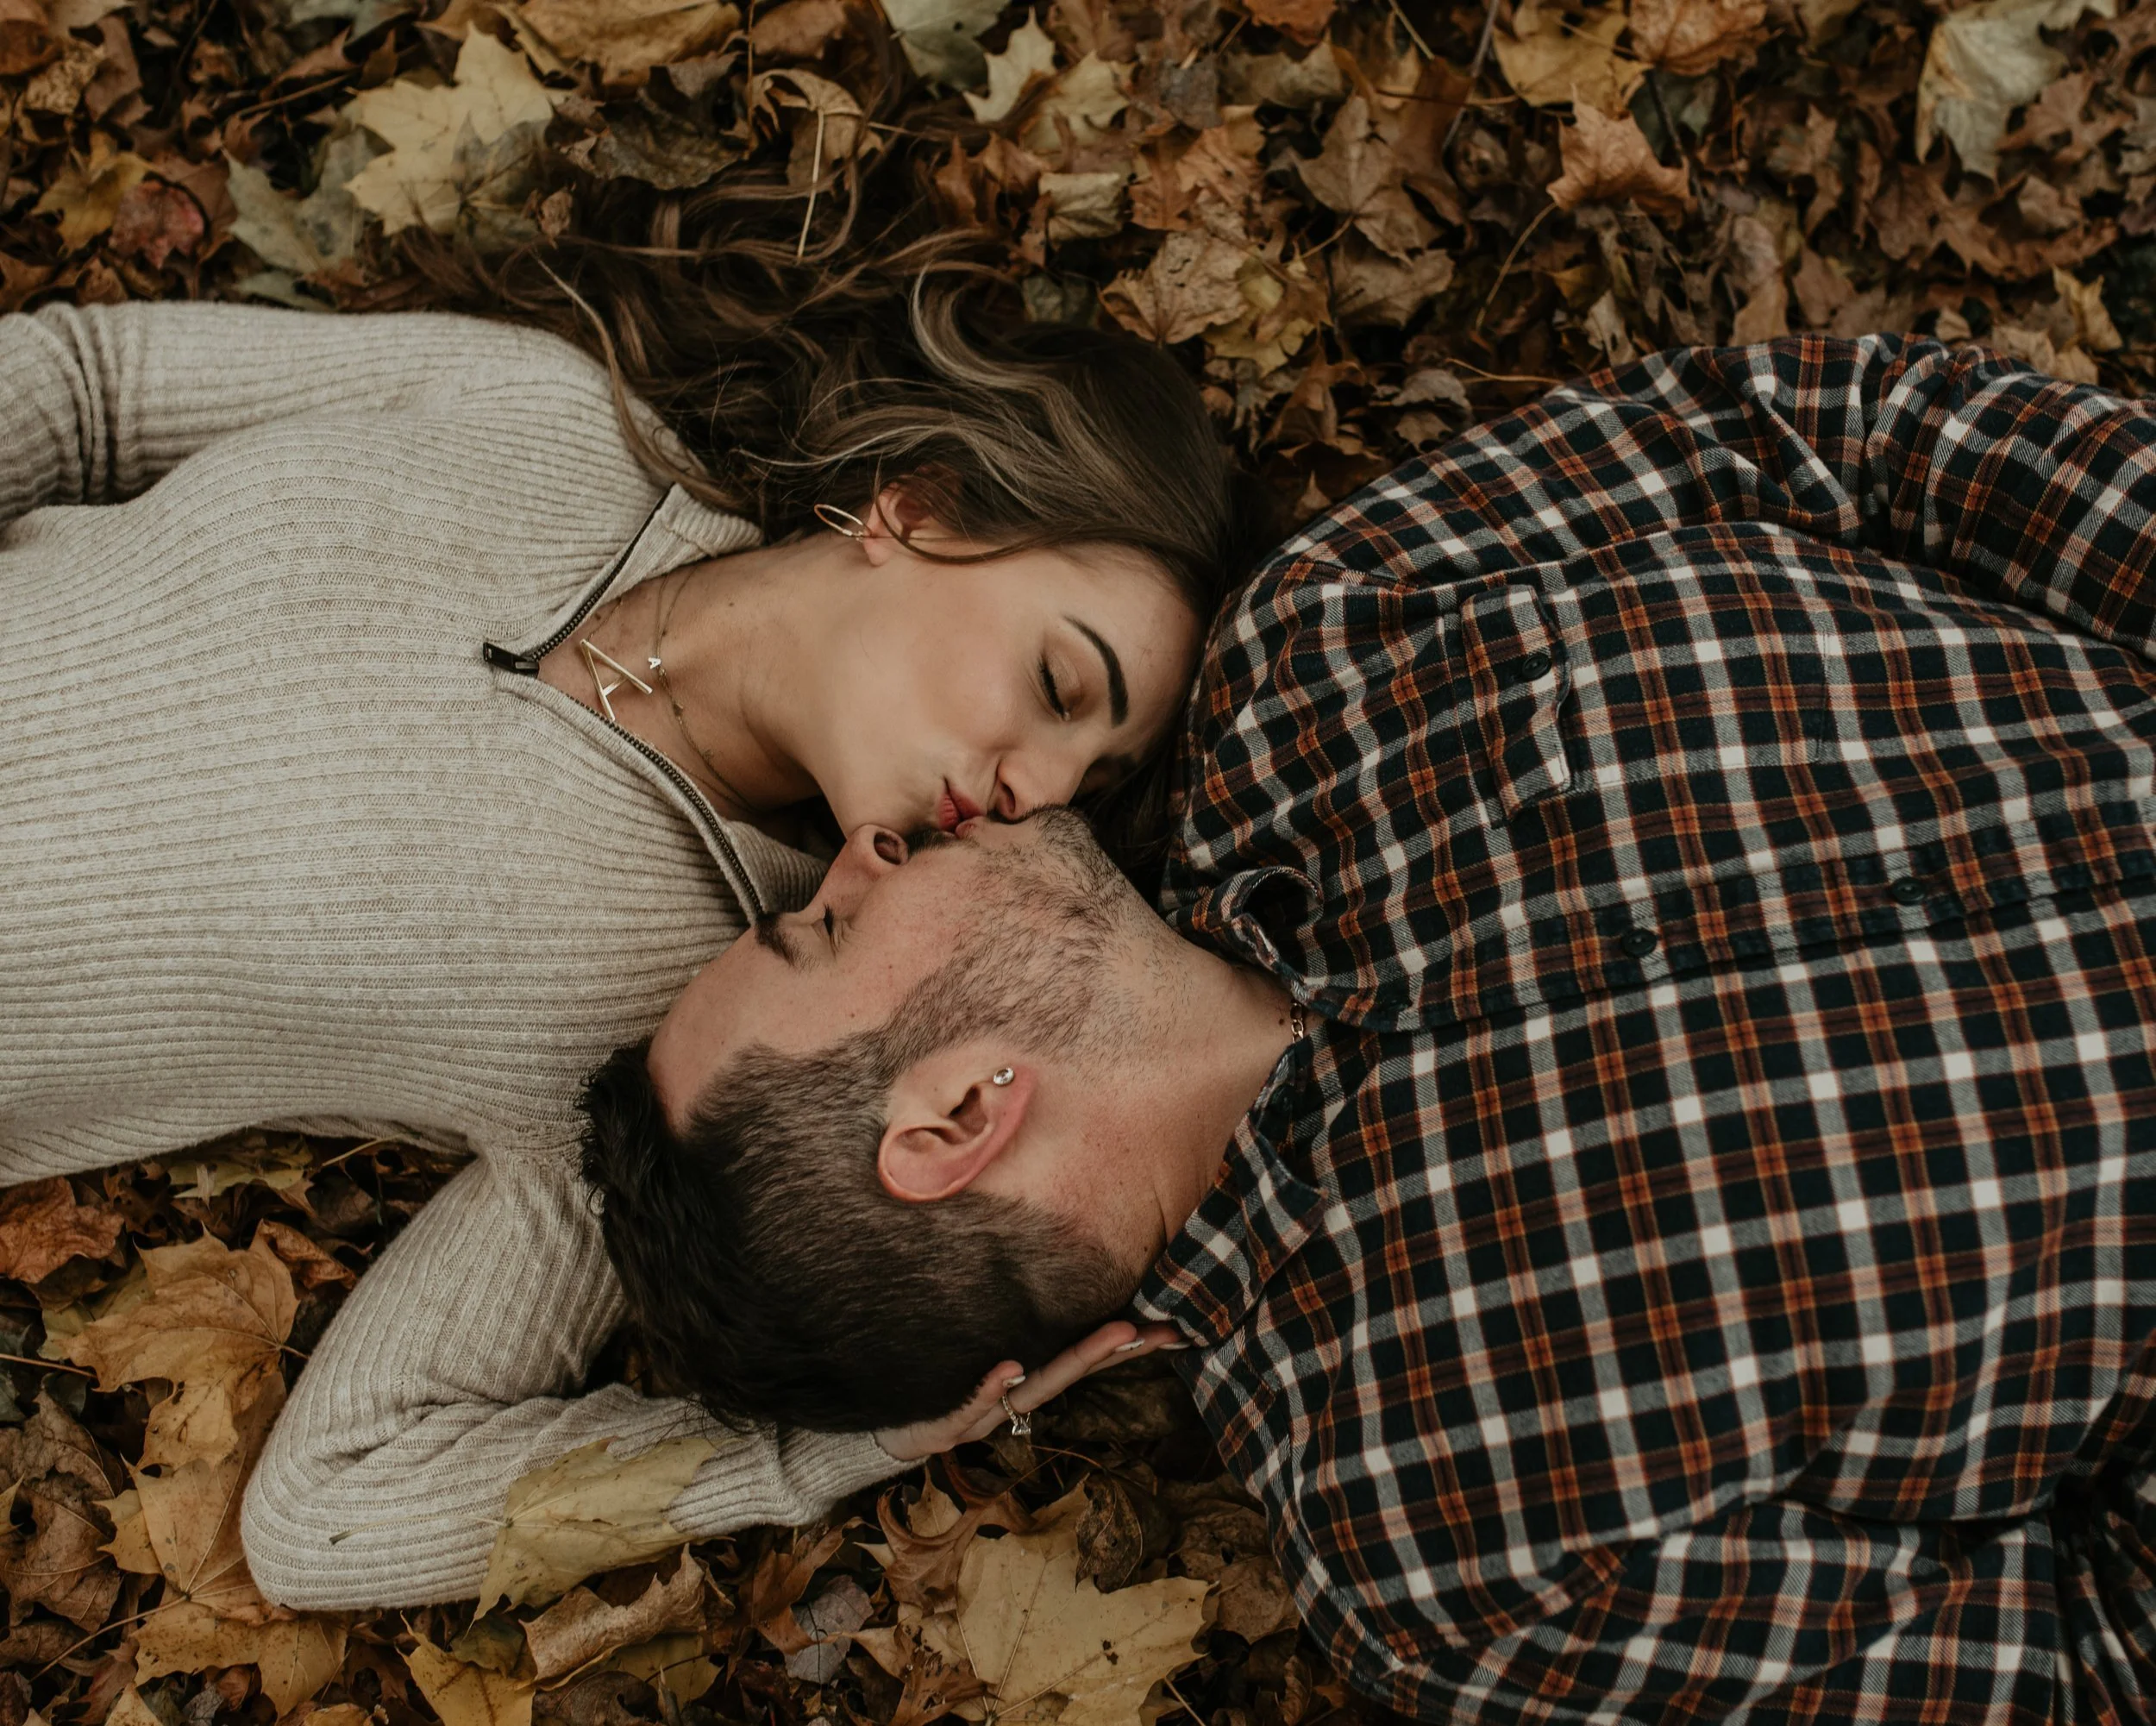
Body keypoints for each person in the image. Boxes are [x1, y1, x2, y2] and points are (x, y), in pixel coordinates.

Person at [586, 333, 2156, 1721]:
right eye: (825, 929)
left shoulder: (1326, 654)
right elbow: (2093, 1664)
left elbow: (1829, 423)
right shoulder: (1459, 1553)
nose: (853, 848)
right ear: (951, 1118)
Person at [0, 198, 1253, 1606]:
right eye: (1060, 688)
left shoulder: (710, 1022)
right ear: (920, 508)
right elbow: (88, 390)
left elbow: (330, 1510)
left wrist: (817, 1458)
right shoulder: (550, 419)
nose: (1041, 789)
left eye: (1095, 774)